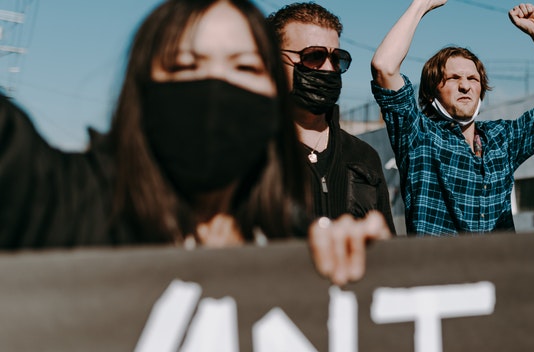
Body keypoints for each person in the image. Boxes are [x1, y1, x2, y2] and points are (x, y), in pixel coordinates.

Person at [0, 0, 388, 285]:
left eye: (244, 67)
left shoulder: (291, 236)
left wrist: (370, 261)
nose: (217, 85)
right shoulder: (69, 203)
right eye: (186, 65)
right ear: (143, 88)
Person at [370, 1, 534, 235]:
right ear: (430, 92)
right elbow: (384, 67)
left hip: (499, 260)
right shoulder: (419, 136)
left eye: (473, 79)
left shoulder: (502, 140)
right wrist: (421, 4)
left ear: (481, 89)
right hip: (436, 259)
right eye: (453, 78)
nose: (465, 86)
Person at [266, 3, 396, 234]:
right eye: (313, 56)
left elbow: (387, 245)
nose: (328, 69)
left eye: (337, 59)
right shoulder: (251, 154)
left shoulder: (363, 156)